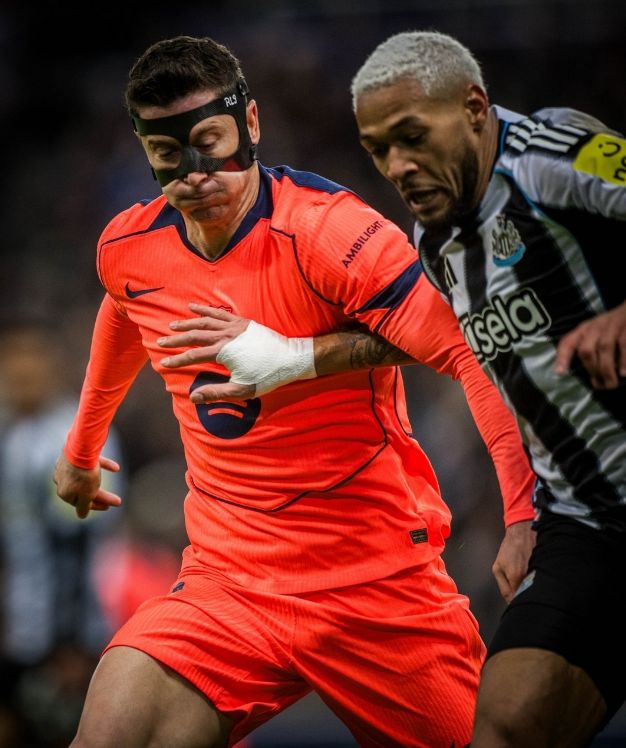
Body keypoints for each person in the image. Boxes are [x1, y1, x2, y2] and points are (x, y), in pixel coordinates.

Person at [53, 35, 536, 748]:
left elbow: (466, 344)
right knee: (113, 731)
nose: (194, 173)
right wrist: (81, 450)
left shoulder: (329, 233)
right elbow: (125, 309)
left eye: (209, 143)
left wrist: (523, 514)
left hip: (373, 578)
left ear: (250, 124)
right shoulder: (131, 247)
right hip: (228, 581)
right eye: (167, 154)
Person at [181, 30, 626, 748]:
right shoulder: (433, 240)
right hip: (588, 524)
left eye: (413, 137)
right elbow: (433, 341)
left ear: (474, 108)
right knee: (503, 726)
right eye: (379, 149)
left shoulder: (552, 156)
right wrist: (296, 357)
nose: (398, 166)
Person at [0, 320, 125, 747]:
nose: (22, 369)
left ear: (52, 365)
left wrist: (69, 647)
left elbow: (78, 543)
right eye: (12, 358)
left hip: (58, 638)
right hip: (17, 627)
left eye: (31, 356)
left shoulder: (78, 437)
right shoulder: (11, 431)